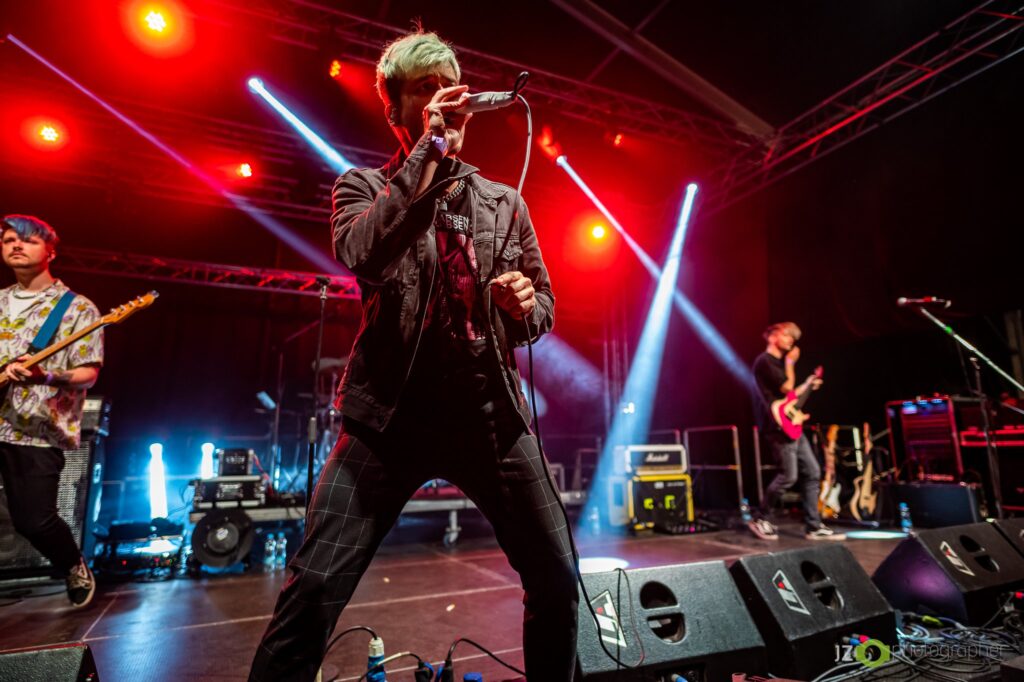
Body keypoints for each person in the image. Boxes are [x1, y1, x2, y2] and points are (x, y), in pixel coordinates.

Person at [249, 29, 577, 681]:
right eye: (425, 90)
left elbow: (543, 308)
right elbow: (364, 253)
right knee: (313, 590)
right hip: (387, 423)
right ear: (394, 108)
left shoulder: (504, 202)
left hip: (490, 418)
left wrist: (524, 303)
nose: (444, 99)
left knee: (558, 578)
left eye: (449, 86)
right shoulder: (362, 186)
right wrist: (431, 150)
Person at [0, 215, 103, 606]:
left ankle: (72, 563)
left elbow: (88, 373)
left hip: (36, 429)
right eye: (9, 239)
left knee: (33, 520)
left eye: (28, 240)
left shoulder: (77, 309)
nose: (16, 245)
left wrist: (45, 375)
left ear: (51, 251)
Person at [749, 322, 844, 541]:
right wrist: (791, 362)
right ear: (772, 336)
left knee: (812, 471)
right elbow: (786, 387)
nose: (791, 340)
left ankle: (813, 525)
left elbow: (789, 397)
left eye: (793, 337)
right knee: (788, 476)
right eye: (787, 335)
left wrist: (808, 384)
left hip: (791, 424)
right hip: (777, 426)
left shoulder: (777, 364)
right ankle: (759, 518)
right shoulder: (765, 361)